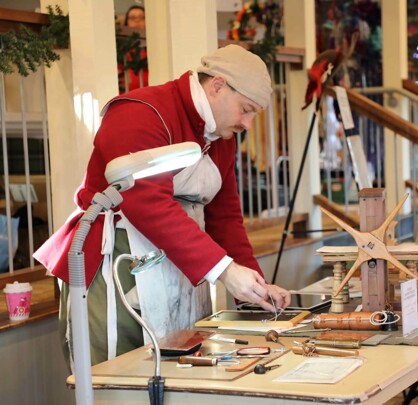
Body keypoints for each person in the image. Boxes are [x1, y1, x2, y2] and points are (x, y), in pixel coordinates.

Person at [34, 45, 291, 367]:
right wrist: (225, 270)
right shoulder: (140, 111)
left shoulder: (221, 137)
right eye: (246, 109)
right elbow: (146, 202)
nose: (249, 124)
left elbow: (224, 216)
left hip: (182, 265)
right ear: (218, 86)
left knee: (180, 369)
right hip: (117, 264)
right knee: (120, 374)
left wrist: (253, 289)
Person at [118, 5, 149, 93]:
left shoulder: (154, 46)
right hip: (127, 95)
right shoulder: (120, 49)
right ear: (126, 22)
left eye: (141, 17)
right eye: (132, 17)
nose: (137, 20)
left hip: (151, 94)